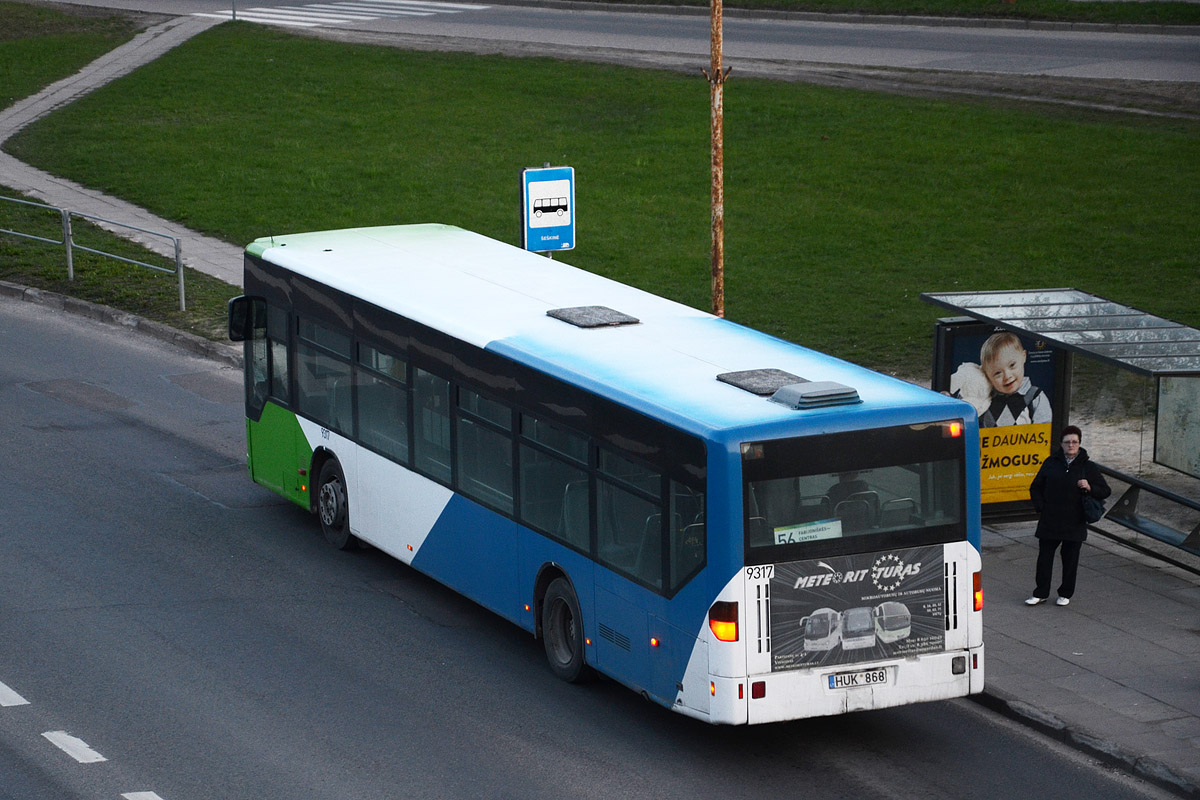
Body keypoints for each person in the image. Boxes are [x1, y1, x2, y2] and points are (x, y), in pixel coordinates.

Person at [1025, 425, 1111, 606]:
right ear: (1061, 444)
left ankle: (1065, 593)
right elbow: (1036, 487)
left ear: (1079, 444)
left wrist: (1089, 487)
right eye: (1067, 442)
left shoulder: (1088, 467)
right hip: (1051, 519)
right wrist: (1041, 507)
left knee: (1070, 559)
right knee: (1044, 558)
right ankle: (1040, 593)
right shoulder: (1051, 462)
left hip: (1075, 520)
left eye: (1075, 442)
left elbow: (1105, 491)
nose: (1071, 445)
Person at [978, 332, 1051, 428]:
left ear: (1023, 356)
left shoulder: (1034, 396)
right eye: (997, 373)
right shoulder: (985, 400)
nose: (1007, 376)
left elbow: (1045, 429)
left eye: (1012, 365)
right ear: (987, 375)